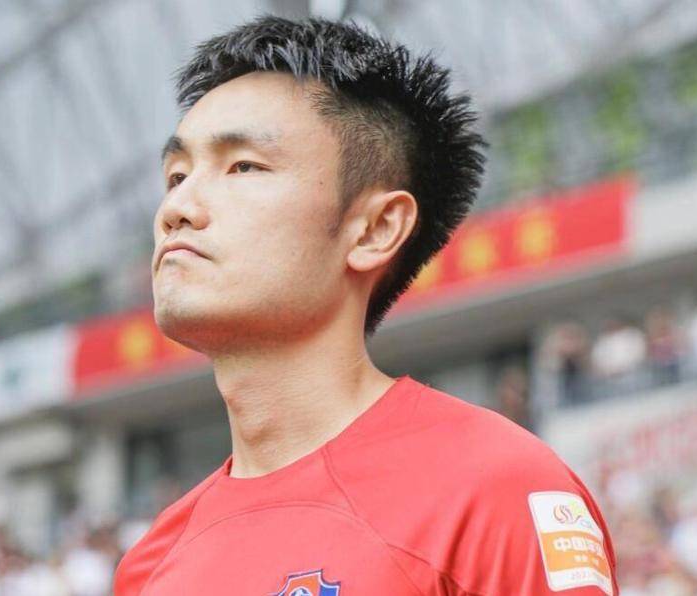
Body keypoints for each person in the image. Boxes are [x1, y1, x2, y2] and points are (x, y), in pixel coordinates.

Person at [114, 15, 617, 595]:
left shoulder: (492, 489)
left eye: (243, 166)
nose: (177, 209)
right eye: (177, 175)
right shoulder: (150, 564)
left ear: (376, 229)